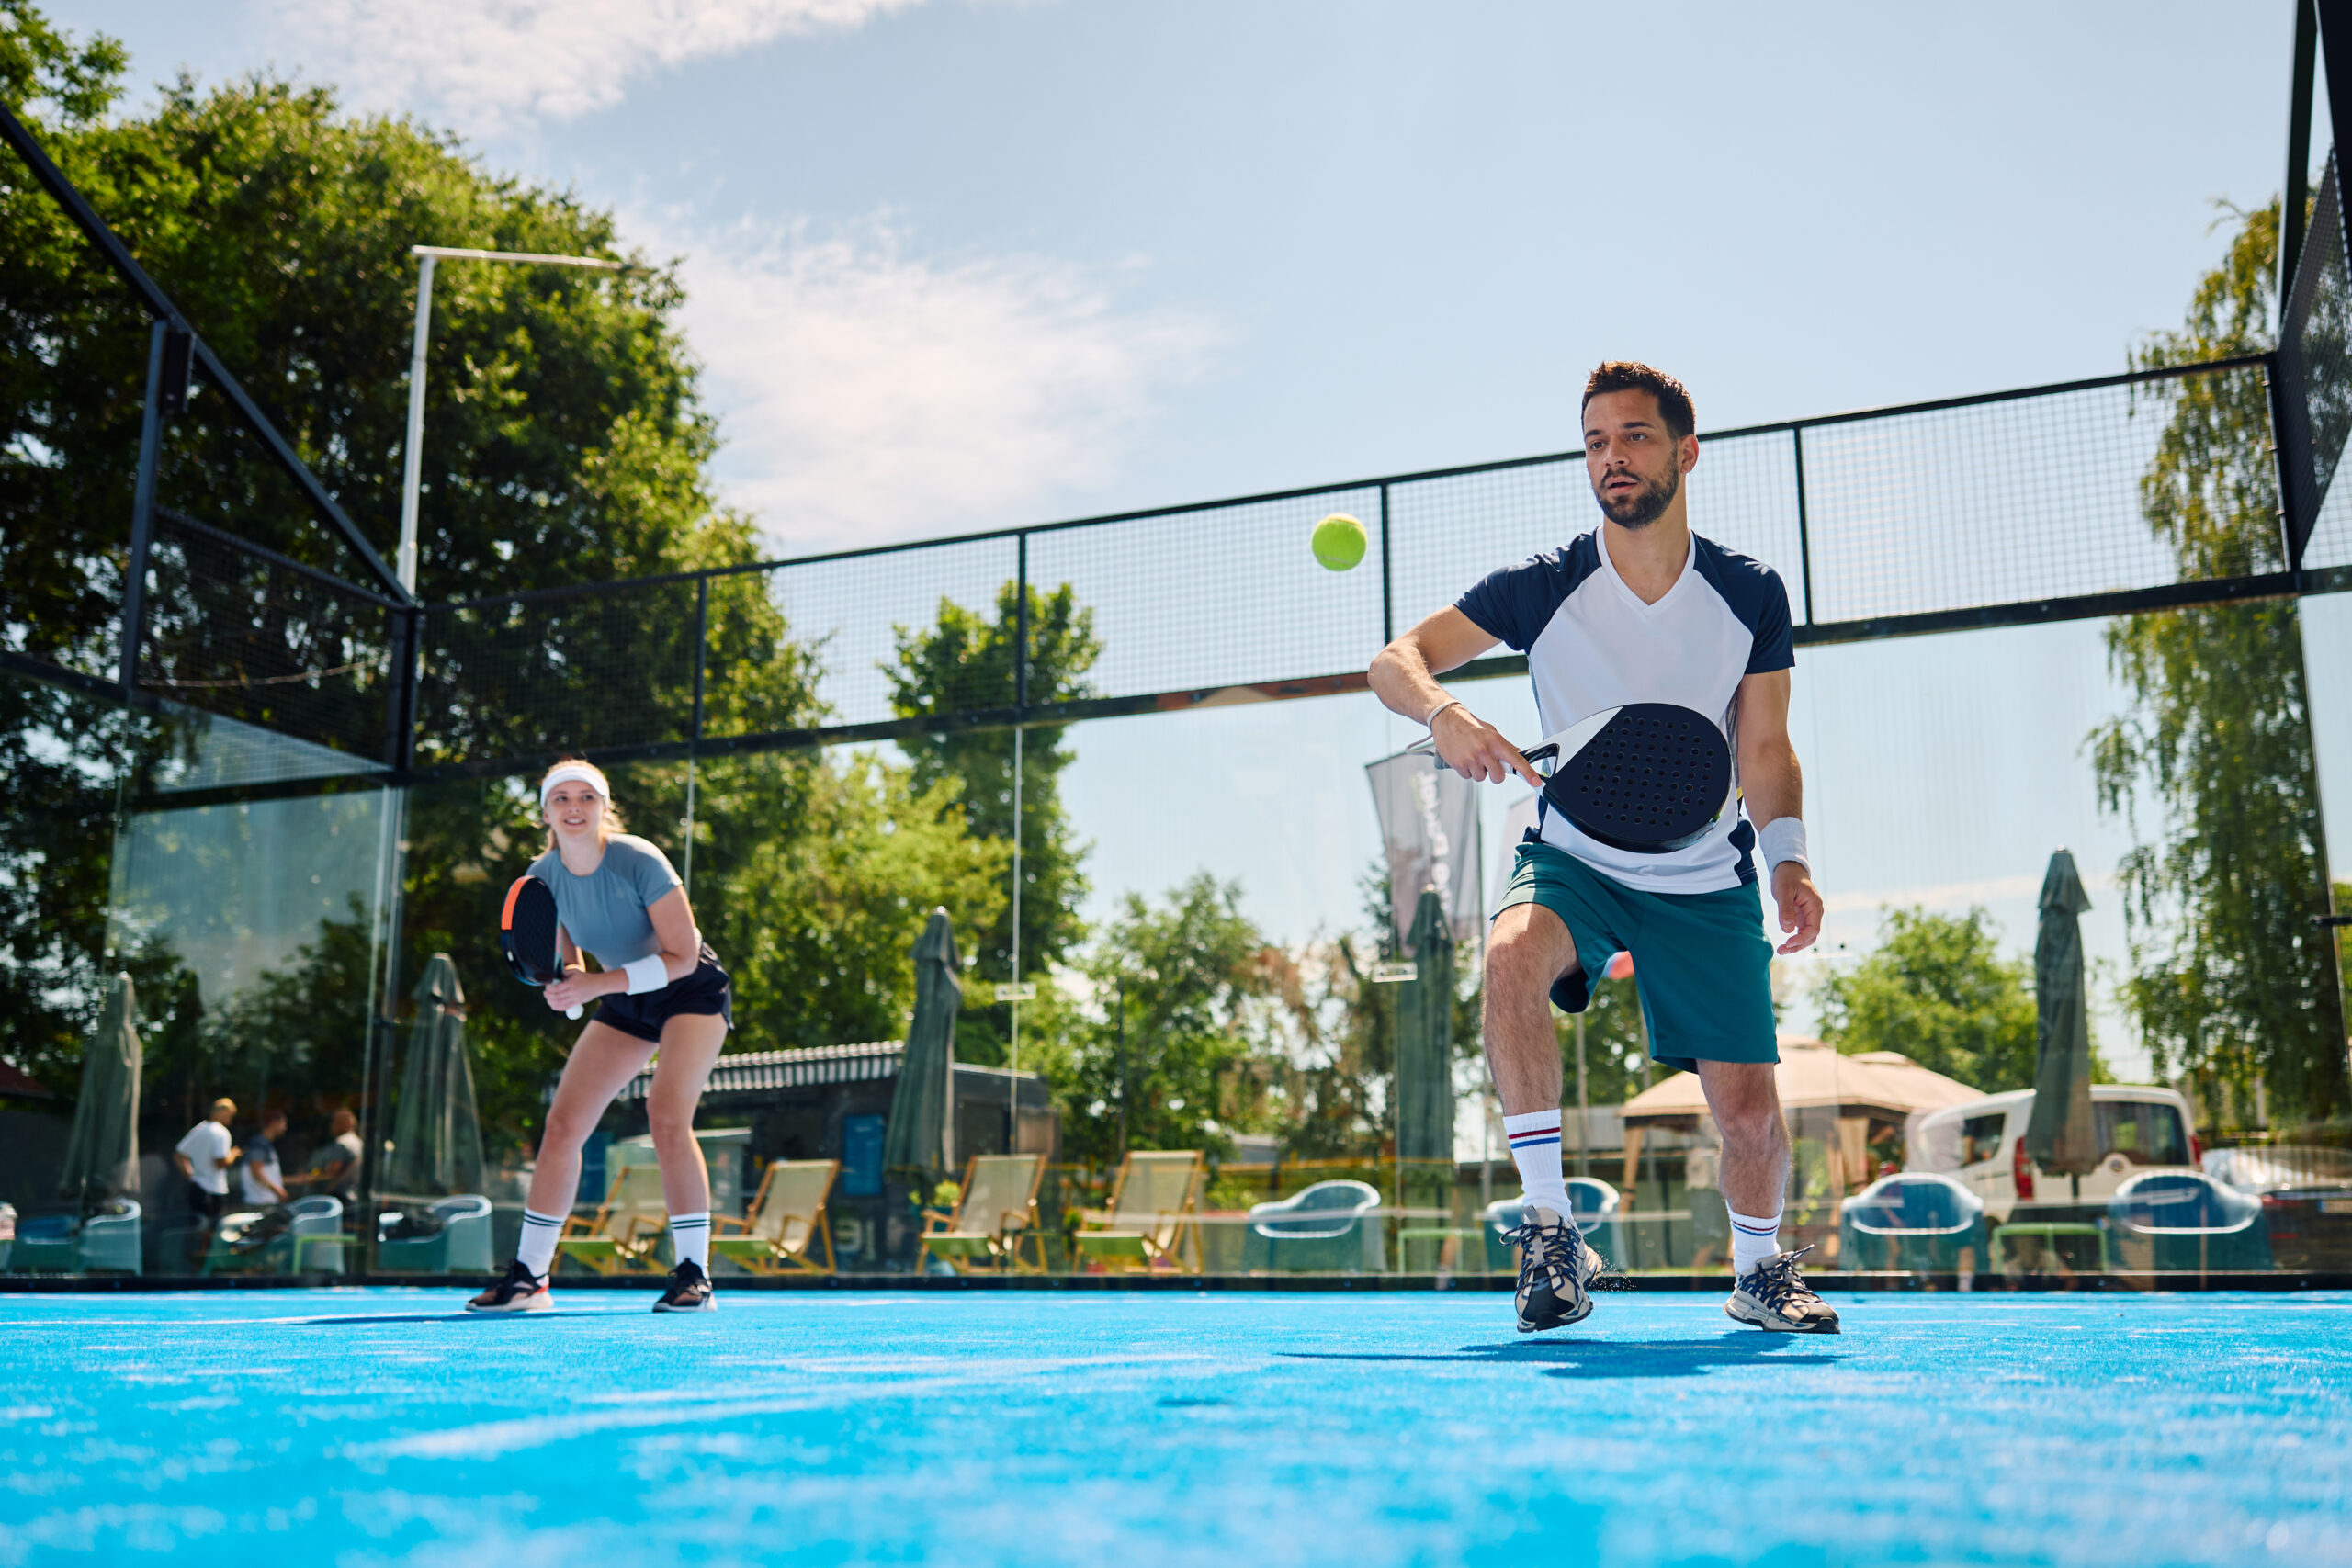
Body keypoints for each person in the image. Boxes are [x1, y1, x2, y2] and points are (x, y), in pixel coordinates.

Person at [1369, 361, 1838, 1335]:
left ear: (1684, 451)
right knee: (1507, 957)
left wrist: (1787, 858)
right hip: (1574, 853)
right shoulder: (1544, 585)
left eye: (1632, 436)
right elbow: (1394, 660)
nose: (1610, 459)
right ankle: (1551, 1234)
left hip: (1707, 872)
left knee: (1748, 1112)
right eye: (1593, 442)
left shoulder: (1748, 591)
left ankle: (1759, 1274)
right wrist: (1446, 713)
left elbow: (1764, 745)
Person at [468, 759, 732, 1314]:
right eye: (561, 798)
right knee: (562, 1125)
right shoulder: (541, 878)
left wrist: (595, 986)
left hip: (691, 992)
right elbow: (570, 963)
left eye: (586, 797)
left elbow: (682, 957)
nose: (574, 808)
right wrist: (567, 991)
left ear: (605, 807)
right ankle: (531, 1280)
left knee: (666, 1115)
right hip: (623, 998)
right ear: (545, 812)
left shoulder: (639, 858)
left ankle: (694, 1275)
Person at [173, 1098, 240, 1261]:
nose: (230, 1121)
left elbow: (179, 1154)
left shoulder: (199, 1129)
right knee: (208, 1235)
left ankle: (192, 1267)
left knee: (196, 1232)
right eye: (229, 1115)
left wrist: (192, 1177)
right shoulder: (221, 1133)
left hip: (198, 1188)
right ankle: (204, 1269)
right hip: (214, 1191)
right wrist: (234, 1154)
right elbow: (221, 1162)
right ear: (222, 1112)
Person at [287, 1108, 363, 1201]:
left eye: (334, 1122)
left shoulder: (341, 1143)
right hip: (352, 1195)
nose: (331, 1126)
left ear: (344, 1124)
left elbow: (333, 1172)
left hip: (339, 1195)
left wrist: (312, 1177)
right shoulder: (357, 1142)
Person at [240, 1111, 289, 1207]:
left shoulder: (265, 1144)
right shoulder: (259, 1143)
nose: (285, 1127)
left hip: (266, 1202)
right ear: (274, 1123)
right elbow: (257, 1172)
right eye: (283, 1123)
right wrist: (278, 1191)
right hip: (260, 1203)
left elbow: (272, 1176)